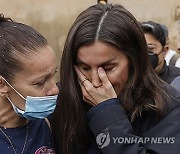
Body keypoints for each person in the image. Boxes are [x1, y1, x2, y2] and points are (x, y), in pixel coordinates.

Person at [51, 3, 180, 154]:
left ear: (133, 61)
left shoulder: (167, 107)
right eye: (85, 68)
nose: (95, 81)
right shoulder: (59, 100)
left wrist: (107, 113)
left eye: (107, 68)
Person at [0, 14, 59, 154]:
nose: (55, 89)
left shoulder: (52, 123)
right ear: (2, 85)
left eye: (53, 75)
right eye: (40, 82)